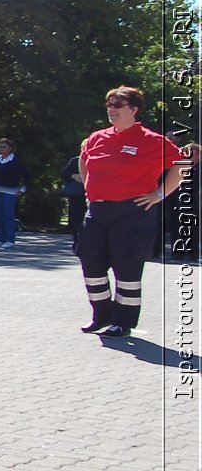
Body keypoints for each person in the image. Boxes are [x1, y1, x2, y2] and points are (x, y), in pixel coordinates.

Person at [78, 86, 191, 337]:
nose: (112, 109)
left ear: (133, 109)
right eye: (109, 105)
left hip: (132, 213)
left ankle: (123, 322)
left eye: (118, 105)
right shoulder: (98, 137)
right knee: (91, 262)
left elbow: (183, 163)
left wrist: (160, 194)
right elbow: (83, 159)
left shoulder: (151, 141)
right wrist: (89, 189)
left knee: (126, 266)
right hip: (97, 211)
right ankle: (101, 314)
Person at [0, 138, 29, 248]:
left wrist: (22, 190)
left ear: (10, 148)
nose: (1, 149)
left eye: (4, 147)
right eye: (0, 147)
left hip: (10, 191)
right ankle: (0, 238)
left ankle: (10, 239)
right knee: (0, 215)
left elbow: (26, 175)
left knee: (8, 216)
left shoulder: (15, 160)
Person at [60, 151, 87, 250]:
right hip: (77, 195)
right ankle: (77, 243)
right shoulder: (76, 160)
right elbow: (64, 174)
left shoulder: (98, 159)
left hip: (93, 194)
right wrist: (74, 176)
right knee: (77, 220)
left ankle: (88, 243)